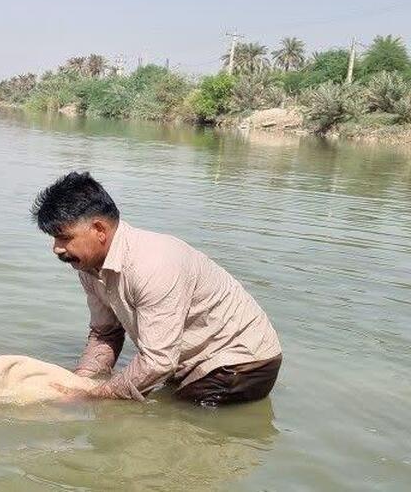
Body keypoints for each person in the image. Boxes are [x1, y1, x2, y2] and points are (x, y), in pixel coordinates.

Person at [32, 172, 282, 406]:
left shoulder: (153, 264)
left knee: (172, 423)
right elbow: (104, 334)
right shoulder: (88, 266)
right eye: (54, 239)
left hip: (241, 364)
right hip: (186, 361)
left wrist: (94, 396)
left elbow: (158, 362)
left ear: (99, 230)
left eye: (64, 237)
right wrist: (78, 383)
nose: (57, 248)